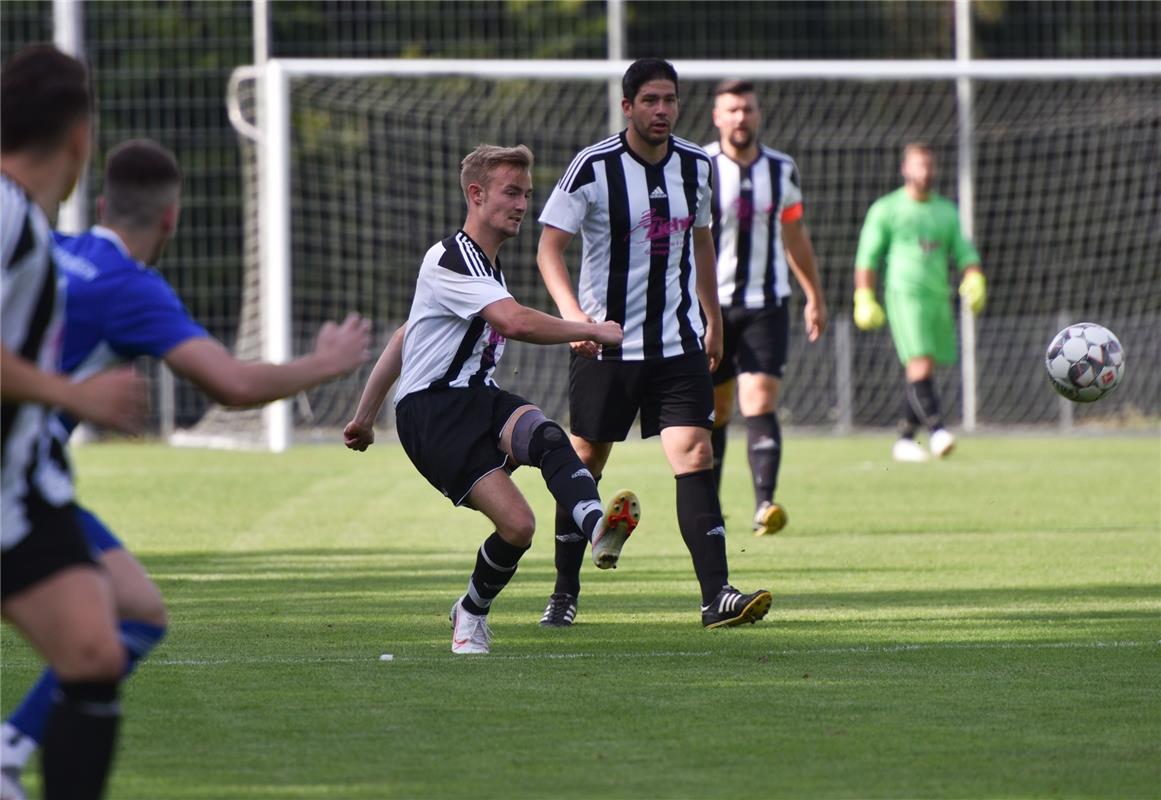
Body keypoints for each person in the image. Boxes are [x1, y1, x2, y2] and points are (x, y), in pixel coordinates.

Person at [1, 138, 372, 795]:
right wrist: (328, 364)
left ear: (105, 201)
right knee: (131, 619)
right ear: (170, 218)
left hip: (31, 475)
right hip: (17, 482)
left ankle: (11, 751)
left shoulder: (53, 244)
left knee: (136, 611)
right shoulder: (130, 288)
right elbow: (229, 383)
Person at [343, 143, 640, 655]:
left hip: (477, 398)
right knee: (518, 527)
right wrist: (592, 329)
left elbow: (403, 337)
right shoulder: (451, 257)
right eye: (511, 192)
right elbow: (513, 321)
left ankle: (597, 528)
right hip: (432, 415)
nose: (523, 204)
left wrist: (364, 417)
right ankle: (471, 611)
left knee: (547, 436)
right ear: (476, 195)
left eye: (527, 193)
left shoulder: (487, 268)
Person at [536, 58, 772, 629]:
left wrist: (711, 317)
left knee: (696, 453)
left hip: (677, 343)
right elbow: (548, 248)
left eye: (669, 100)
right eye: (649, 100)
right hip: (605, 348)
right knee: (584, 463)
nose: (661, 110)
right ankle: (564, 593)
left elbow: (704, 242)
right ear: (627, 107)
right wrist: (575, 321)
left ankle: (716, 596)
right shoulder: (593, 166)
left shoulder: (696, 165)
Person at [1, 44, 148, 800]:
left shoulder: (23, 218)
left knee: (96, 645)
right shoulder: (6, 217)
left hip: (18, 494)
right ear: (80, 138)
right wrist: (74, 395)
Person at [704, 79, 828, 536]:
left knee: (759, 400)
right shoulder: (700, 167)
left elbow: (795, 234)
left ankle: (765, 505)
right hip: (709, 306)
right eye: (732, 109)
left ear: (758, 115)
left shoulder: (782, 169)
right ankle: (709, 511)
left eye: (748, 109)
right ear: (718, 116)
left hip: (767, 304)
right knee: (716, 410)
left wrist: (814, 293)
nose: (741, 117)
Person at [852, 142, 986, 462]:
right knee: (920, 362)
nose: (924, 172)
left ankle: (905, 438)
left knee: (923, 367)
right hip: (904, 294)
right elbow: (867, 258)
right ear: (905, 169)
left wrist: (974, 277)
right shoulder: (887, 209)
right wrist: (864, 296)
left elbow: (965, 253)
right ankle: (938, 430)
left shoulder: (946, 211)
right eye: (918, 166)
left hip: (937, 296)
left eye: (928, 166)